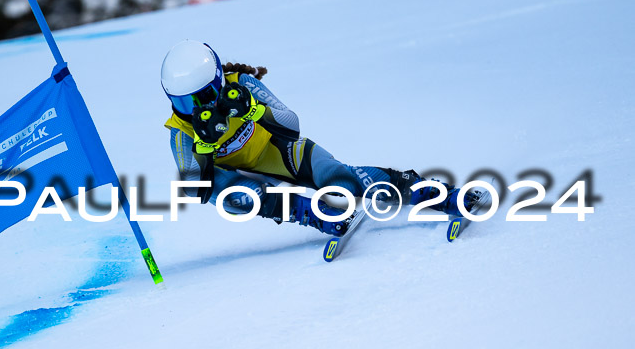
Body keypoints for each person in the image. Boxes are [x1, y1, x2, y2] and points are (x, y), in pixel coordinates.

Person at [162, 40, 479, 236]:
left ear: (219, 79)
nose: (196, 109)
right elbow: (195, 189)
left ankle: (436, 193)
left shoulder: (241, 85)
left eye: (204, 96)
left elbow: (291, 125)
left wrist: (252, 111)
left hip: (276, 150)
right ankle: (313, 213)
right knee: (230, 194)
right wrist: (203, 145)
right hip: (244, 176)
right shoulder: (181, 128)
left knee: (341, 179)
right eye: (184, 102)